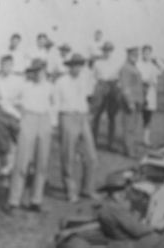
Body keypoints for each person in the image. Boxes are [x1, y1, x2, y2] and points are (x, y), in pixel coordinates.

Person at [6, 59, 53, 214]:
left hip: (44, 121)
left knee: (42, 162)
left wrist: (52, 121)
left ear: (45, 70)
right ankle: (14, 201)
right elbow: (7, 101)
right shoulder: (24, 86)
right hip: (28, 119)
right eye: (36, 70)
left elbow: (55, 104)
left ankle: (36, 200)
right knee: (22, 162)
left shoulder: (50, 86)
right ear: (32, 72)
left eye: (42, 70)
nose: (39, 73)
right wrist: (19, 116)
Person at [55, 53, 99, 203]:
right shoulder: (61, 82)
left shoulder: (85, 80)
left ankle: (87, 189)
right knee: (68, 156)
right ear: (69, 66)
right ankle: (70, 191)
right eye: (75, 65)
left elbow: (88, 97)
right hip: (67, 116)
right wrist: (56, 124)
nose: (77, 68)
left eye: (80, 65)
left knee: (91, 156)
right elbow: (54, 103)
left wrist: (88, 114)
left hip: (82, 117)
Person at [0, 55, 23, 176]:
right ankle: (5, 166)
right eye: (3, 65)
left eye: (8, 65)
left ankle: (22, 166)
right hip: (1, 113)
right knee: (1, 141)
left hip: (15, 113)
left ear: (12, 66)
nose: (6, 68)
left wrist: (16, 103)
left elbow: (23, 97)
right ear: (1, 66)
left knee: (20, 140)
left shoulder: (18, 80)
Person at [92, 41, 120, 150]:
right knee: (97, 115)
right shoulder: (97, 63)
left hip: (112, 87)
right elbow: (93, 77)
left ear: (112, 51)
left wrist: (116, 88)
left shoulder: (116, 62)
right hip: (100, 86)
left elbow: (118, 77)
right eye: (105, 50)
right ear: (102, 51)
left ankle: (110, 143)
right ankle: (93, 141)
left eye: (109, 50)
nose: (107, 53)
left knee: (111, 116)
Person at [118, 46, 142, 157]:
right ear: (128, 55)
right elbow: (125, 87)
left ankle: (131, 148)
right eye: (134, 55)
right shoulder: (126, 68)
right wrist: (130, 102)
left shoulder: (134, 67)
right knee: (128, 127)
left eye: (137, 55)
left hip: (137, 100)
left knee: (133, 126)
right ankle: (128, 150)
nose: (136, 57)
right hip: (131, 101)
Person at [137, 45, 162, 147]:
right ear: (142, 53)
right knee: (136, 115)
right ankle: (132, 138)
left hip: (150, 92)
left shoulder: (153, 66)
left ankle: (146, 139)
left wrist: (150, 82)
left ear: (151, 54)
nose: (146, 55)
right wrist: (143, 82)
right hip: (139, 91)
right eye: (144, 53)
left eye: (148, 53)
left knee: (148, 116)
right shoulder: (138, 64)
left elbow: (156, 78)